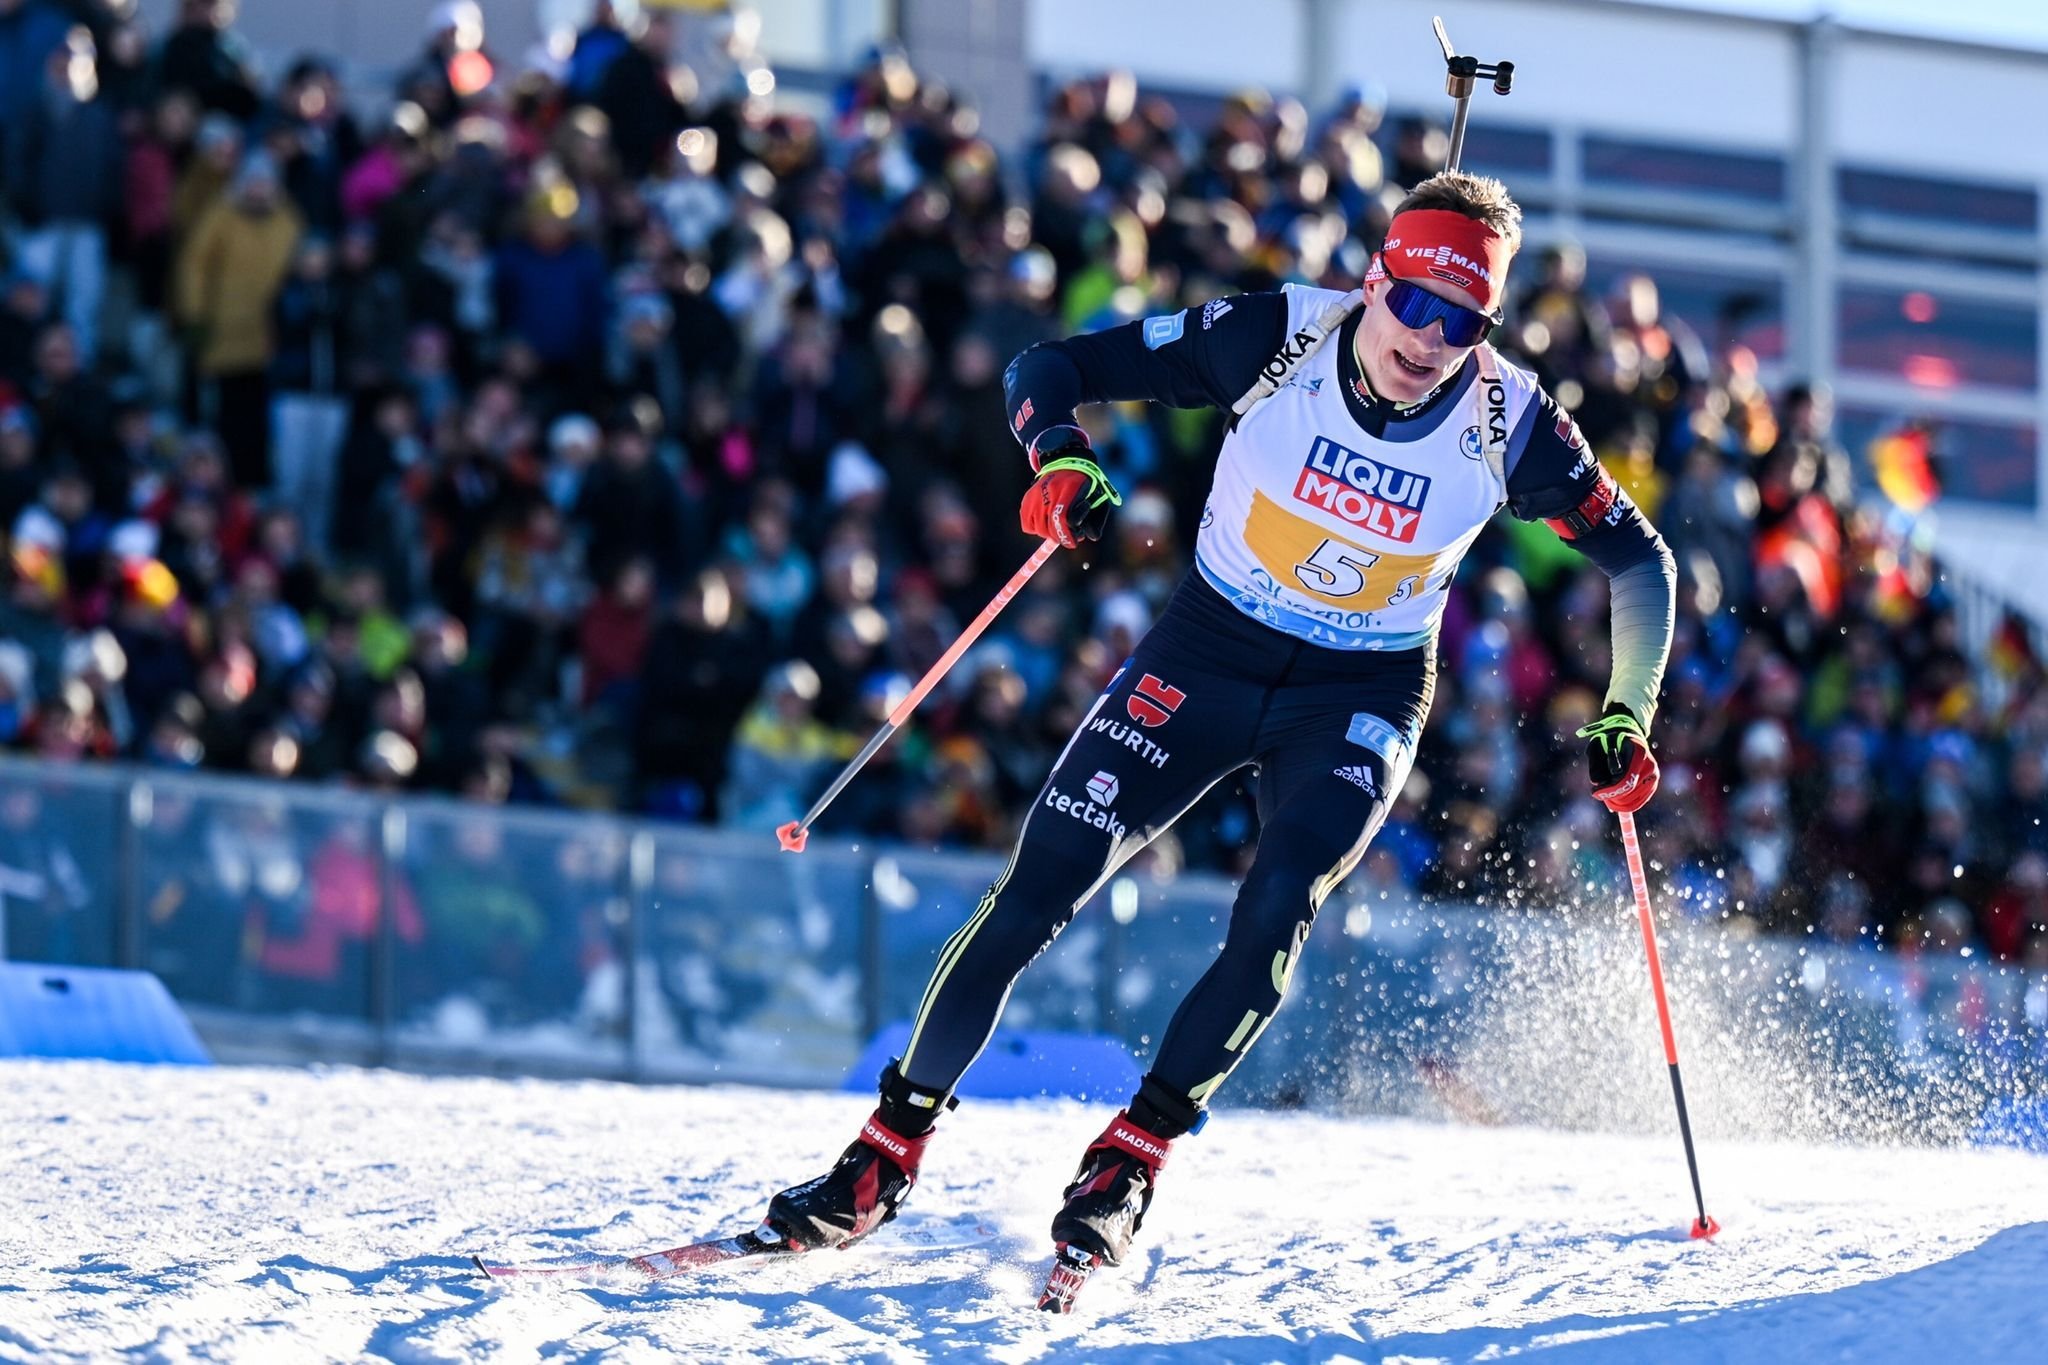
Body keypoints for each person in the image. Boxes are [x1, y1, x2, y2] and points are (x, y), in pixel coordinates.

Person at [758, 173, 1678, 1283]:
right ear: (1374, 280)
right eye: (1414, 305)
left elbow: (1640, 561)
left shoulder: (1509, 420)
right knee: (1040, 878)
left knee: (1276, 902)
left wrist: (1626, 707)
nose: (1429, 341)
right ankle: (883, 1154)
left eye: (1463, 321)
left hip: (1360, 689)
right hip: (1208, 651)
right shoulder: (1276, 336)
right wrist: (1056, 454)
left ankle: (1128, 1163)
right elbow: (1049, 368)